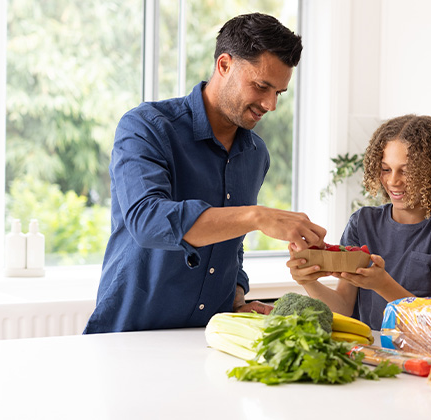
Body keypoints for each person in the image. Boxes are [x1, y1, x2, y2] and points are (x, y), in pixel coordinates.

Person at [85, 13, 326, 334]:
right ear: (224, 65)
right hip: (130, 335)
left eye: (278, 93)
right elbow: (147, 221)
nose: (271, 105)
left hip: (208, 338)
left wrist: (237, 297)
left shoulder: (256, 154)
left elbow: (232, 246)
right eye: (261, 86)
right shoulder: (146, 126)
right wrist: (256, 216)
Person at [286, 115, 431, 330]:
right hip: (370, 347)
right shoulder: (362, 222)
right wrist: (308, 280)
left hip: (422, 350)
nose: (393, 180)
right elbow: (343, 307)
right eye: (386, 169)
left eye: (407, 171)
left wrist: (382, 284)